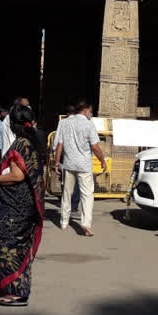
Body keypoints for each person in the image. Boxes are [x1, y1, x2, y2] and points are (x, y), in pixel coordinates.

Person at [0, 104, 46, 306]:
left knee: (8, 244)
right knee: (20, 245)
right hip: (26, 203)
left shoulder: (20, 145)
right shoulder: (34, 142)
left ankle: (15, 292)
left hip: (14, 205)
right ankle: (20, 287)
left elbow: (17, 175)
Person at [54, 101, 106, 236]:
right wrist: (102, 160)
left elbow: (60, 144)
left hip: (69, 163)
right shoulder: (89, 125)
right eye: (91, 111)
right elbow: (95, 147)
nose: (91, 114)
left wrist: (56, 162)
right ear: (86, 110)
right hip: (83, 165)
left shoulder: (65, 123)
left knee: (66, 193)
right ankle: (85, 223)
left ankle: (64, 222)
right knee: (87, 194)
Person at [53, 104, 80, 212]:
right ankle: (74, 204)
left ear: (67, 114)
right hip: (79, 155)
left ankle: (66, 203)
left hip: (66, 154)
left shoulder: (63, 122)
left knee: (66, 179)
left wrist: (56, 157)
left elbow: (58, 140)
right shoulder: (82, 122)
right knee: (77, 180)